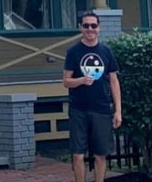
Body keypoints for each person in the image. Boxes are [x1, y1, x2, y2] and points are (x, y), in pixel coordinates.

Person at [63, 11, 122, 182]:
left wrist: (118, 110)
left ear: (99, 28)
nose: (90, 29)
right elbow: (66, 81)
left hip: (101, 109)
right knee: (78, 156)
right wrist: (80, 80)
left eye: (93, 25)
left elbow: (114, 81)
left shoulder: (106, 51)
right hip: (78, 110)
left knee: (100, 155)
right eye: (86, 25)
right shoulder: (73, 52)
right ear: (80, 27)